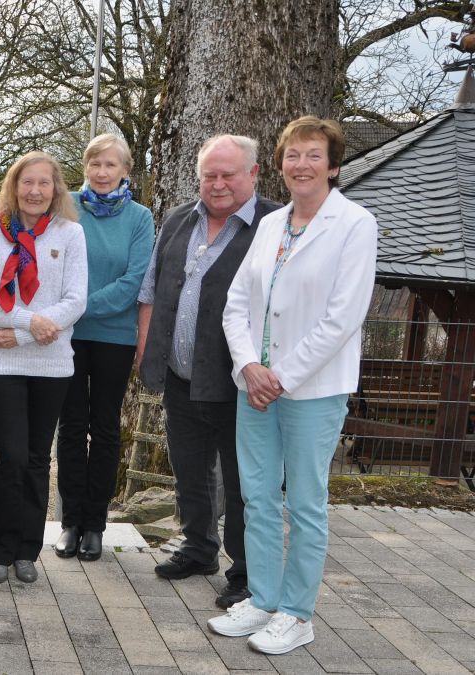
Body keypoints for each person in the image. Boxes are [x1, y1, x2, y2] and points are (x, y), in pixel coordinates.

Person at [209, 117, 376, 655]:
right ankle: (262, 599)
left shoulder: (355, 225)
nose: (301, 165)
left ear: (333, 165)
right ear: (279, 165)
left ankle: (297, 614)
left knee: (305, 504)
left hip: (312, 390)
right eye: (292, 155)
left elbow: (342, 317)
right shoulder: (269, 224)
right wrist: (248, 367)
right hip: (254, 387)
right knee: (256, 497)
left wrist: (281, 376)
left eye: (313, 155)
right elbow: (236, 303)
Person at [137, 135, 280, 609]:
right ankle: (199, 548)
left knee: (243, 483)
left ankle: (245, 571)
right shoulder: (179, 219)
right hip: (181, 377)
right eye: (209, 175)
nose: (217, 184)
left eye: (228, 175)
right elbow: (152, 290)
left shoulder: (273, 225)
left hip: (239, 383)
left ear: (253, 174)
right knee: (189, 470)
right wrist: (147, 349)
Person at [0, 151, 87, 585]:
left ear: (56, 189)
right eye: (27, 182)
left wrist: (21, 333)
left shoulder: (71, 234)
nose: (35, 191)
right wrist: (28, 323)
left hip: (52, 363)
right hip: (5, 363)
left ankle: (26, 551)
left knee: (38, 459)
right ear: (14, 187)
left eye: (44, 183)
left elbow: (75, 301)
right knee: (12, 457)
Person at [53, 134, 154, 562]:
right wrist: (68, 313)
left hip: (115, 336)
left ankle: (95, 524)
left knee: (106, 428)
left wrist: (79, 307)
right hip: (68, 336)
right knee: (71, 427)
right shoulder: (66, 208)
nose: (101, 172)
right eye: (94, 163)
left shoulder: (140, 218)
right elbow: (53, 264)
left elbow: (135, 280)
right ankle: (70, 522)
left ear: (125, 170)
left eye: (110, 165)